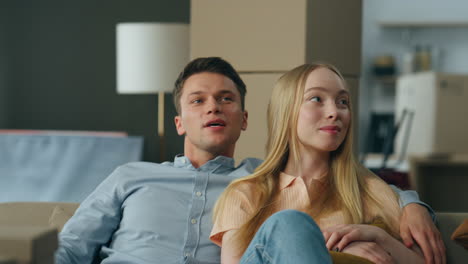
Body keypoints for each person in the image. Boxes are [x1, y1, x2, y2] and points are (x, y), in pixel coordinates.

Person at [56, 57, 442, 264]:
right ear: (178, 122)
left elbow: (344, 184)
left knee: (290, 223)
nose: (213, 108)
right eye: (198, 100)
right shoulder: (130, 176)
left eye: (226, 99)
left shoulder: (260, 178)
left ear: (245, 119)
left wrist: (411, 203)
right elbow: (71, 248)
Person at [211, 63, 446, 264]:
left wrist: (378, 237)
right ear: (287, 111)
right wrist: (333, 250)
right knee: (289, 223)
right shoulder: (245, 193)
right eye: (316, 99)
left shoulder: (368, 191)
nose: (335, 111)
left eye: (342, 102)